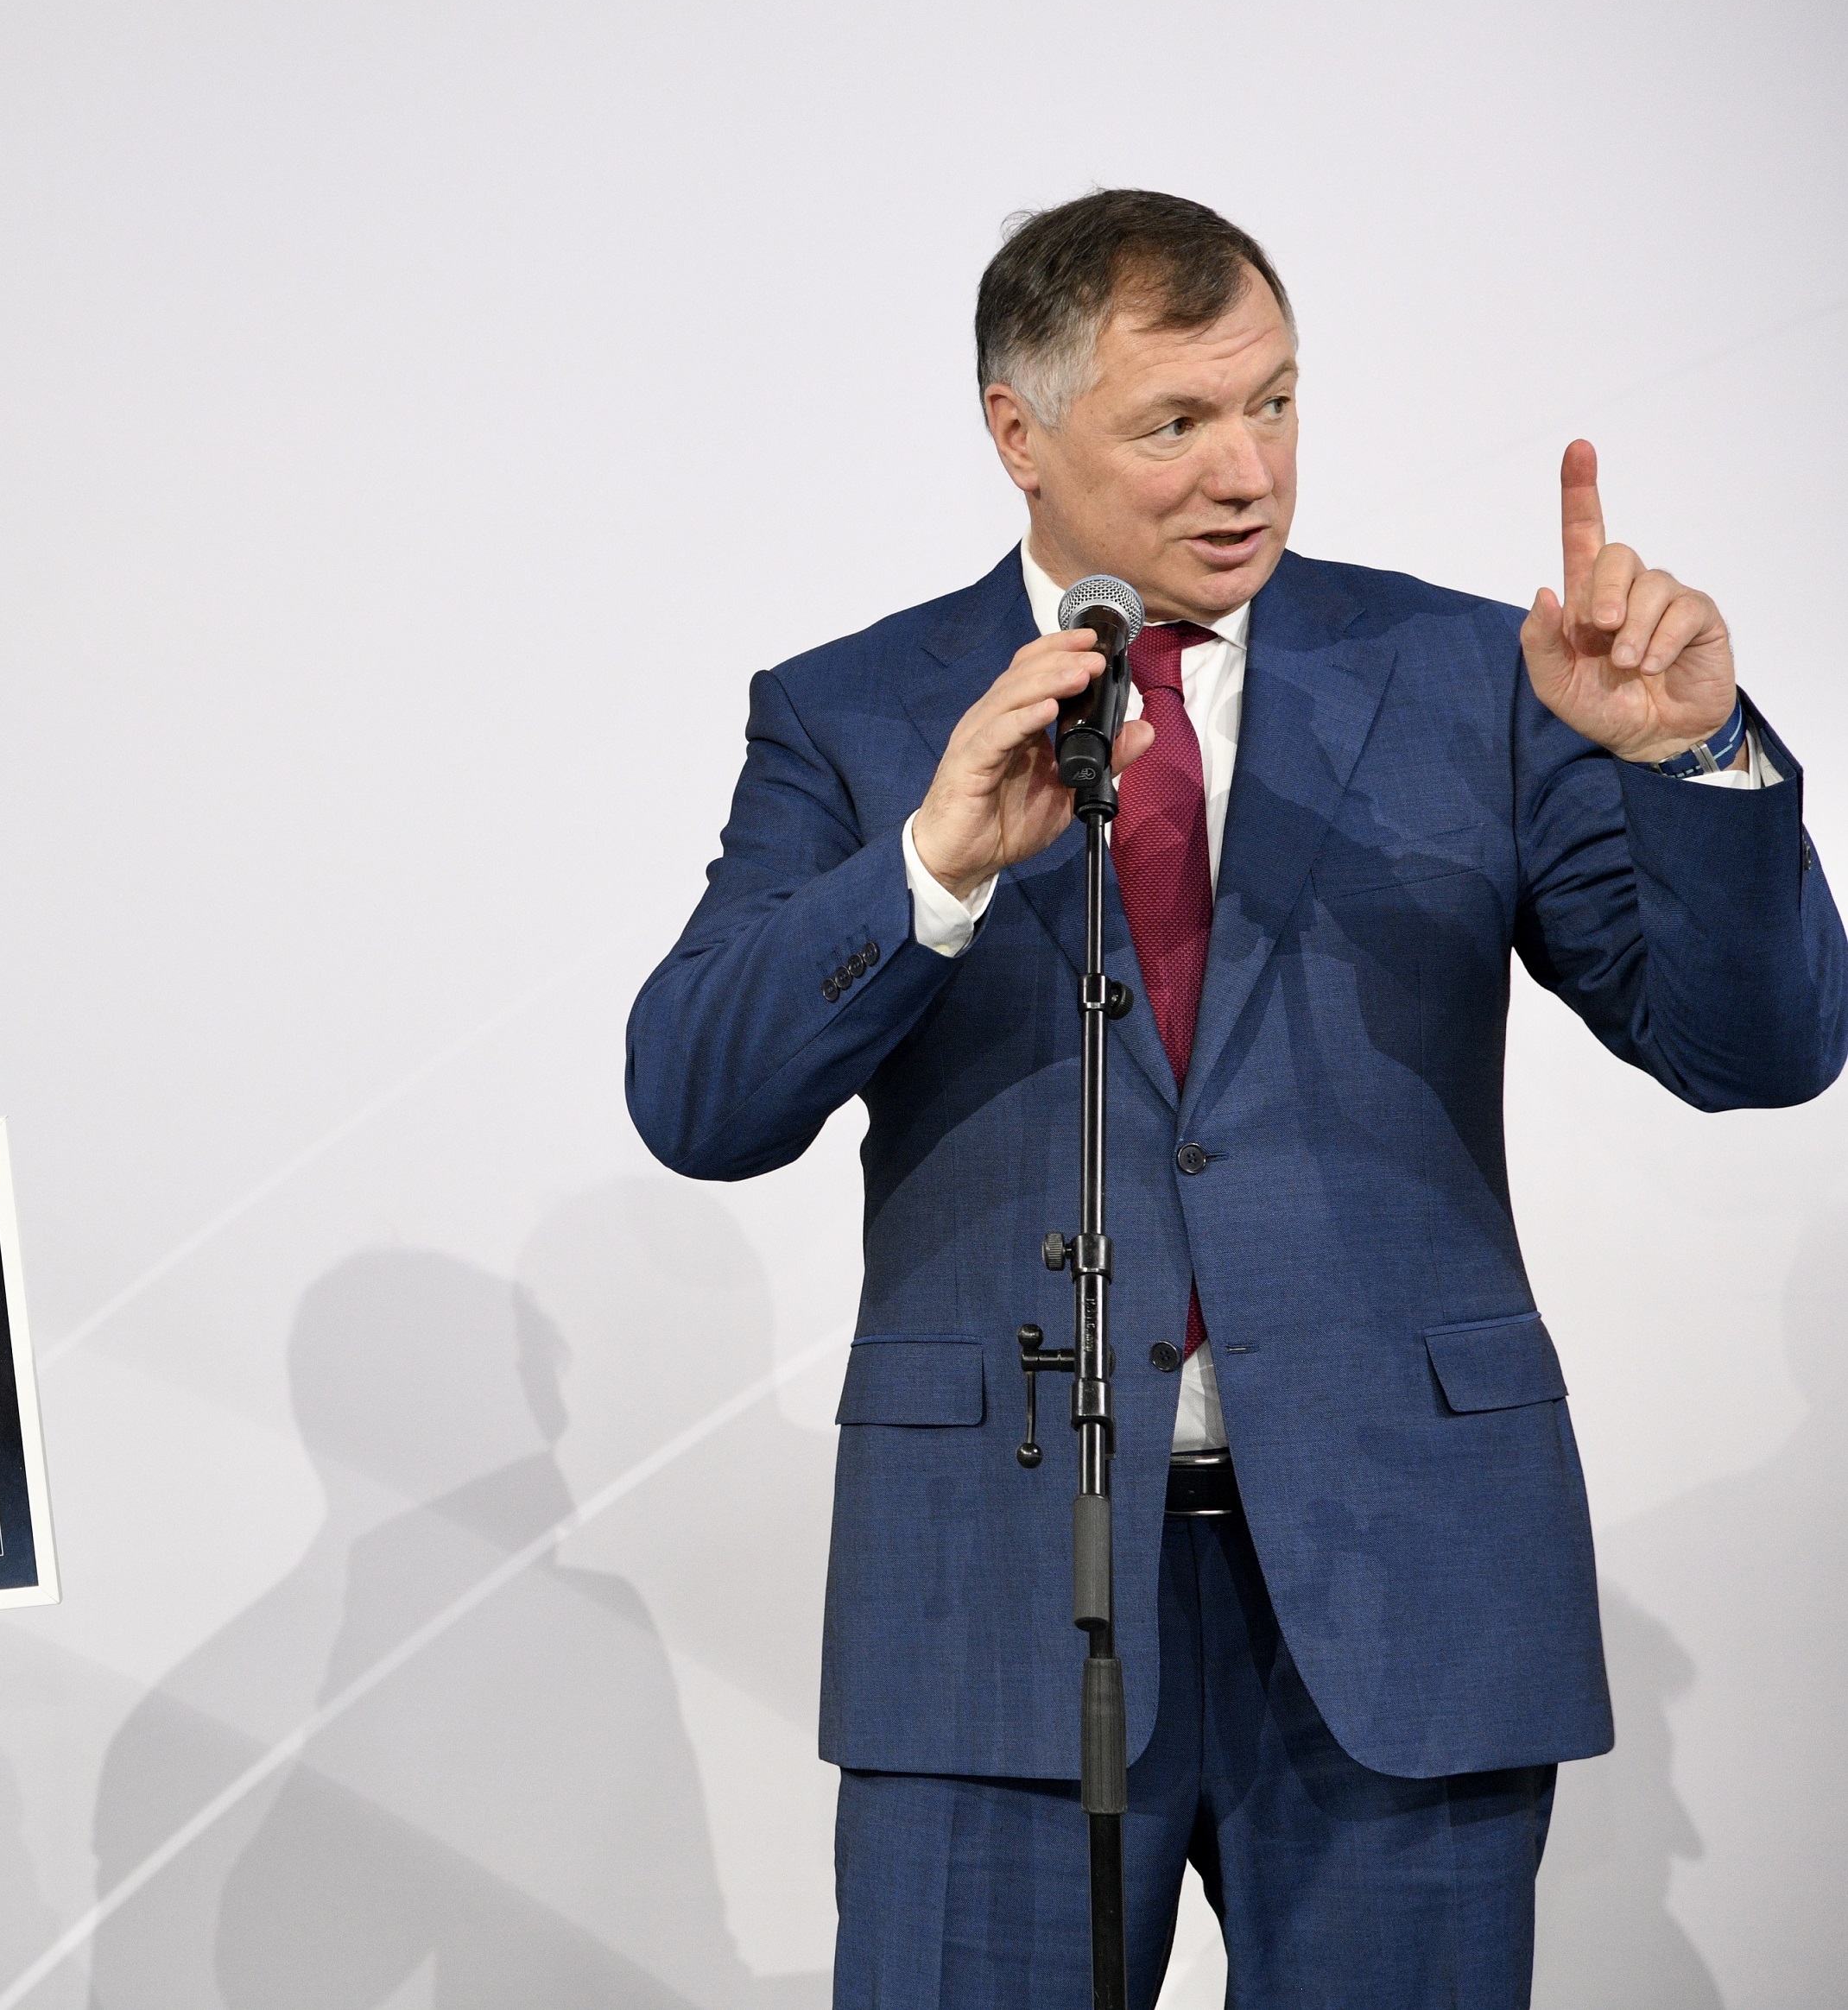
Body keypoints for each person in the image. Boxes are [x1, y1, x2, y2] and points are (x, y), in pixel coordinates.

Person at [623, 191, 1848, 2008]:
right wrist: (930, 869)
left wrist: (1694, 763)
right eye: (1176, 422)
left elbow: (1759, 1050)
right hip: (997, 1592)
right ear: (1018, 432)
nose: (1246, 471)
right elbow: (695, 1098)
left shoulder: (1476, 679)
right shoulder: (859, 713)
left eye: (1273, 403)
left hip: (1402, 1577)